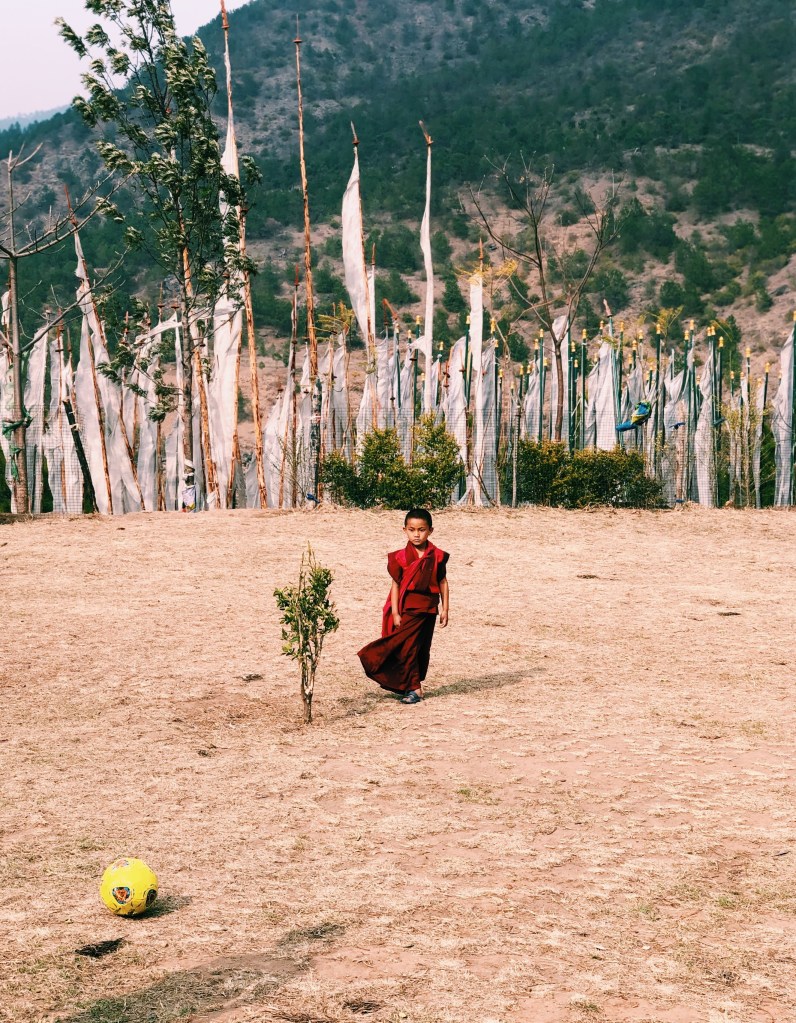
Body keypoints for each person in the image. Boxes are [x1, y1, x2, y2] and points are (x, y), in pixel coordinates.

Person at [357, 508, 450, 705]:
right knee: (405, 647)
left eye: (421, 530)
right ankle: (414, 688)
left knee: (421, 648)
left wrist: (445, 609)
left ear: (430, 531)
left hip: (429, 608)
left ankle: (411, 685)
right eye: (412, 530)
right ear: (404, 530)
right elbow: (396, 585)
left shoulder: (437, 556)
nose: (416, 535)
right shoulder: (400, 557)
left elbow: (442, 581)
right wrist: (395, 612)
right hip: (409, 609)